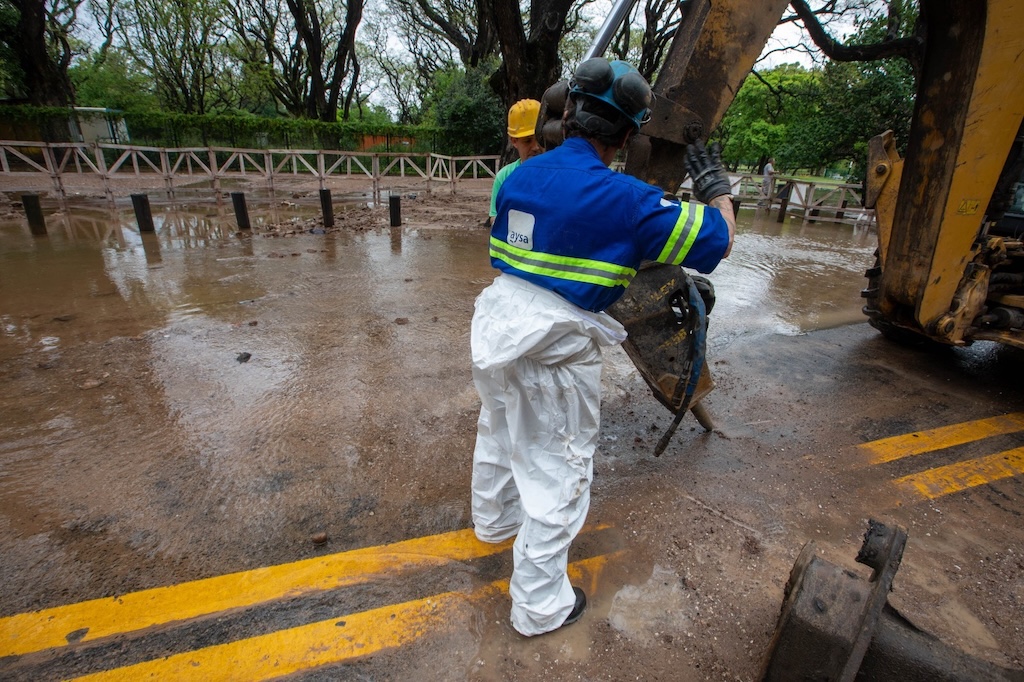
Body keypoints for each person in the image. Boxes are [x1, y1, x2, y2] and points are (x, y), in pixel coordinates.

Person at [470, 58, 736, 637]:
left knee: (499, 429)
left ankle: (494, 523)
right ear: (628, 136)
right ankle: (540, 606)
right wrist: (717, 189)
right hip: (555, 347)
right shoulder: (630, 201)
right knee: (559, 472)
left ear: (566, 112)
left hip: (496, 326)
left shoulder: (517, 179)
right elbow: (720, 242)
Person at [489, 99, 543, 224]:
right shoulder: (504, 176)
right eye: (528, 141)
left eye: (539, 139)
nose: (536, 147)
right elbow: (494, 217)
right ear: (514, 141)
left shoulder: (557, 175)